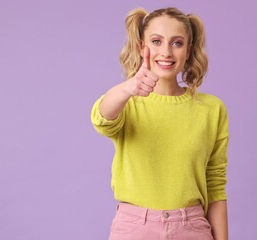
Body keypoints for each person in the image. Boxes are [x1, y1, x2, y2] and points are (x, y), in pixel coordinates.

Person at [91, 7, 229, 240]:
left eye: (177, 43)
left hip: (192, 227)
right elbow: (101, 119)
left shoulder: (212, 109)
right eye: (156, 41)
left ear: (189, 50)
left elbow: (215, 185)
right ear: (141, 46)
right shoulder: (127, 102)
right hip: (135, 228)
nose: (166, 52)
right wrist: (128, 88)